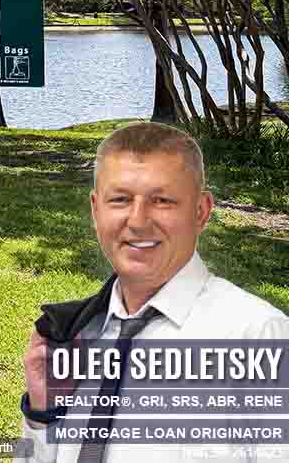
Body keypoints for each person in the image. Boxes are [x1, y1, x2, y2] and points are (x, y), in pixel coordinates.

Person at [17, 122, 289, 462]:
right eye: (120, 199)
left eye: (162, 200)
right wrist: (43, 413)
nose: (138, 220)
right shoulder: (74, 337)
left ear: (201, 211)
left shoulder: (258, 336)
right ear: (95, 210)